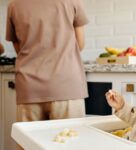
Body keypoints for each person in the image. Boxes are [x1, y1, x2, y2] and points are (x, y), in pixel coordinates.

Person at [6, 0, 88, 149]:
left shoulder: (14, 4)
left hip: (29, 86)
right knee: (69, 145)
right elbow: (80, 44)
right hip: (66, 85)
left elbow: (19, 47)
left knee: (28, 145)